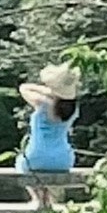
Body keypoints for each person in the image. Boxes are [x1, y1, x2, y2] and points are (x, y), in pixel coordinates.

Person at [16, 61, 83, 205]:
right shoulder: (73, 110)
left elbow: (24, 88)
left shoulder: (43, 103)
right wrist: (57, 93)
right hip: (63, 158)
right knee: (47, 172)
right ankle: (48, 200)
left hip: (37, 155)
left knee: (21, 162)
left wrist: (49, 91)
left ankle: (37, 199)